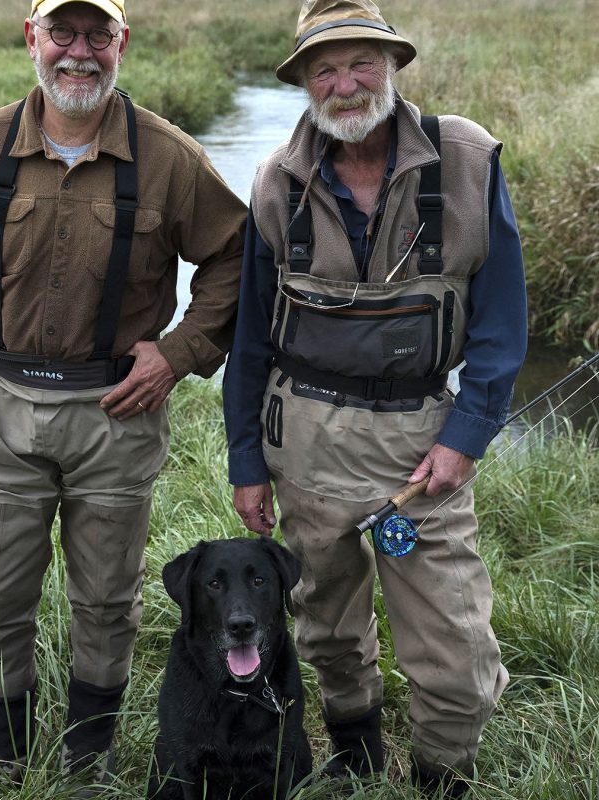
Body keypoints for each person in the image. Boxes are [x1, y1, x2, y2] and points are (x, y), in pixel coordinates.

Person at [0, 0, 246, 787]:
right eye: (62, 34)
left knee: (108, 603)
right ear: (31, 38)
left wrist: (177, 355)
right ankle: (4, 761)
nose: (80, 53)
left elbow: (239, 257)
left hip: (118, 415)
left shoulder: (169, 156)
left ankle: (88, 762)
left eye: (97, 36)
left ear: (122, 44)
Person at [223, 0, 527, 796]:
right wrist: (245, 460)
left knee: (455, 650)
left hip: (423, 450)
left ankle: (441, 778)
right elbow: (249, 343)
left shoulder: (467, 160)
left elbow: (501, 325)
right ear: (303, 84)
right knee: (325, 626)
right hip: (304, 442)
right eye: (325, 68)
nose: (346, 83)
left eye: (363, 62)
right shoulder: (274, 184)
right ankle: (356, 757)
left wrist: (467, 434)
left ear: (392, 67)